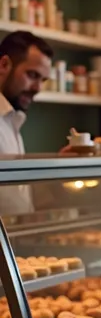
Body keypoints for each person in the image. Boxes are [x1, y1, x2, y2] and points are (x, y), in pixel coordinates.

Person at [0, 30, 53, 215]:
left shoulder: (11, 118)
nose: (37, 88)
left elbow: (14, 192)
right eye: (32, 75)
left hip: (11, 241)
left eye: (43, 80)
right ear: (4, 64)